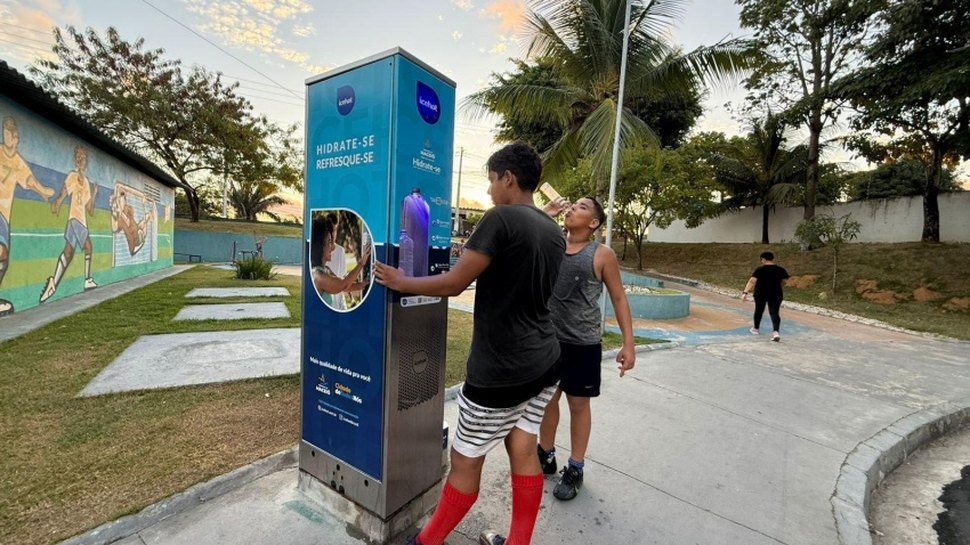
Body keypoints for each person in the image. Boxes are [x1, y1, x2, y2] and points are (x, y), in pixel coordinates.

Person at [374, 142, 565, 545]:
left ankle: (425, 542)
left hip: (501, 371)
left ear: (508, 178)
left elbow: (456, 282)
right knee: (524, 450)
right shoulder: (553, 230)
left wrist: (402, 281)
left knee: (464, 463)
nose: (490, 190)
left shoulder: (501, 219)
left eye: (492, 181)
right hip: (545, 363)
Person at [537, 196, 636, 502]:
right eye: (573, 205)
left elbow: (618, 297)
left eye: (581, 207)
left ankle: (576, 467)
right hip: (548, 339)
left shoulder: (602, 254)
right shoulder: (552, 243)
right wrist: (546, 214)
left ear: (593, 223)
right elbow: (525, 236)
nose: (572, 209)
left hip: (582, 343)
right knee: (547, 399)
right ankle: (545, 453)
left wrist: (628, 343)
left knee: (578, 405)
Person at [0, 116, 55, 315]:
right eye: (4, 134)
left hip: (4, 216)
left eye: (9, 135)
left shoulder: (18, 162)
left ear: (16, 139)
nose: (6, 138)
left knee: (4, 257)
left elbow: (29, 180)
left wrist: (43, 191)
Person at [40, 145, 99, 303]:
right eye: (78, 157)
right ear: (75, 160)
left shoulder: (86, 182)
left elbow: (90, 208)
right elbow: (64, 192)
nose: (81, 160)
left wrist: (94, 194)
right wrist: (57, 203)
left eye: (83, 157)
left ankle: (53, 283)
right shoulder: (72, 176)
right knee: (88, 247)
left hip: (80, 220)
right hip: (75, 219)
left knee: (68, 252)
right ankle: (87, 280)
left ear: (86, 161)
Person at [309, 215, 370, 307]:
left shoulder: (325, 270)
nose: (332, 247)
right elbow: (343, 285)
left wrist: (362, 285)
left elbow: (344, 285)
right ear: (320, 246)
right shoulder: (319, 277)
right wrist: (361, 263)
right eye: (329, 242)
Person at [741, 251, 790, 342]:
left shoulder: (760, 269)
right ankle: (776, 332)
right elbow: (785, 281)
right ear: (772, 259)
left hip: (761, 293)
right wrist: (779, 286)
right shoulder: (780, 269)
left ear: (763, 259)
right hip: (776, 293)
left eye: (761, 260)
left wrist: (745, 292)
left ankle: (755, 329)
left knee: (759, 310)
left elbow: (752, 281)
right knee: (774, 312)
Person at [109, 186, 155, 256]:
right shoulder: (120, 218)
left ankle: (146, 217)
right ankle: (139, 240)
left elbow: (128, 221)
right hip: (134, 245)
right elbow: (114, 228)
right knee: (141, 228)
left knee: (140, 227)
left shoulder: (128, 209)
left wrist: (143, 203)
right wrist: (113, 213)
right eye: (119, 200)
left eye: (121, 200)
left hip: (137, 236)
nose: (121, 202)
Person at [324, 212, 349, 309]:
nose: (333, 234)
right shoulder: (320, 252)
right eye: (331, 230)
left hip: (339, 304)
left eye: (335, 230)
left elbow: (342, 278)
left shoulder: (340, 251)